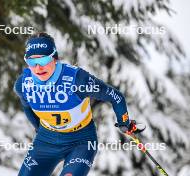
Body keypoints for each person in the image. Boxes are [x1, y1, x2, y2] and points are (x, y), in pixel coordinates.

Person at [14, 32, 144, 176]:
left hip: (81, 141)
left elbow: (116, 97)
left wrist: (124, 122)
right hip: (46, 140)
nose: (38, 68)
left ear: (54, 58)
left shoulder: (77, 80)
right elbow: (26, 106)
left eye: (43, 60)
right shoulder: (24, 85)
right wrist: (40, 129)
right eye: (32, 62)